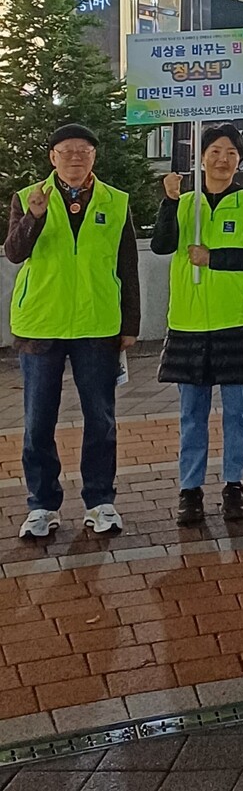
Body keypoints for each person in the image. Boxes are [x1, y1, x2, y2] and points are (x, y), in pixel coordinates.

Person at [5, 124, 139, 538]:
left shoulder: (115, 201)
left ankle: (100, 501)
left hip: (97, 324)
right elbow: (14, 252)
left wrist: (130, 324)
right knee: (37, 421)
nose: (76, 157)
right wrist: (34, 216)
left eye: (84, 150)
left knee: (100, 418)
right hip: (41, 323)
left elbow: (127, 265)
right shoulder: (29, 197)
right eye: (67, 151)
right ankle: (42, 505)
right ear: (53, 157)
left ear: (94, 157)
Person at [152, 124, 243, 525]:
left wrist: (213, 258)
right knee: (192, 414)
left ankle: (234, 484)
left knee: (238, 413)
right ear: (201, 157)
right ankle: (190, 489)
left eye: (231, 153)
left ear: (240, 161)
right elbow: (161, 245)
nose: (223, 160)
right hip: (188, 323)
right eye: (215, 152)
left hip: (236, 320)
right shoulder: (184, 202)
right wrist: (169, 201)